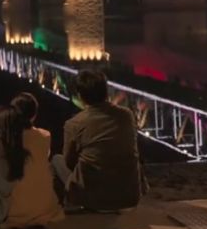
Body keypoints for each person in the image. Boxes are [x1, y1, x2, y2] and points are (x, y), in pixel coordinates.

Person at [52, 70, 142, 212]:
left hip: (94, 199)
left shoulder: (74, 124)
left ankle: (66, 205)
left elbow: (68, 162)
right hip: (129, 196)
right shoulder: (127, 115)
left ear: (80, 96)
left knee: (57, 160)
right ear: (106, 92)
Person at [5, 92, 64, 228]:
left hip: (14, 208)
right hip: (43, 206)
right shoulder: (45, 135)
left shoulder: (7, 137)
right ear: (34, 114)